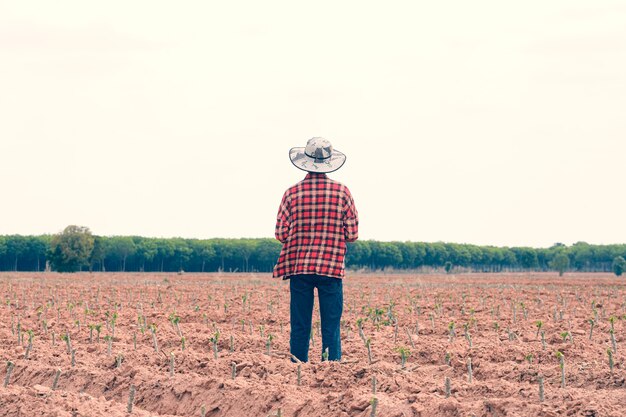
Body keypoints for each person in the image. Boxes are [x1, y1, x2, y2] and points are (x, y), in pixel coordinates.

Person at [273, 137, 359, 362]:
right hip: (331, 269)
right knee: (331, 326)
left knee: (300, 325)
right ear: (329, 162)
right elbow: (352, 234)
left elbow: (280, 234)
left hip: (299, 268)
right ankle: (331, 372)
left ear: (305, 161)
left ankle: (297, 370)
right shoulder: (342, 192)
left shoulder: (291, 193)